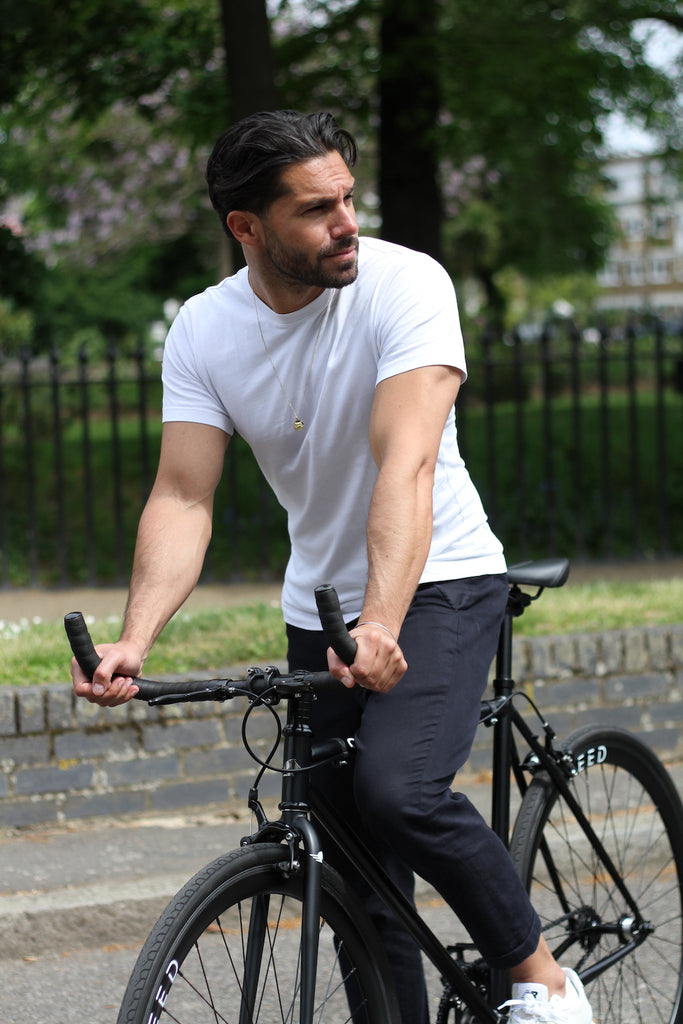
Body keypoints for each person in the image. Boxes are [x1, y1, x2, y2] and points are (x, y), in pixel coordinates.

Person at [71, 109, 593, 1024]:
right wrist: (134, 638)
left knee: (396, 793)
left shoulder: (406, 285)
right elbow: (184, 495)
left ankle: (539, 976)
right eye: (317, 209)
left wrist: (383, 622)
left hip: (439, 581)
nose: (347, 221)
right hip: (318, 605)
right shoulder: (202, 330)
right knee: (351, 866)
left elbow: (408, 463)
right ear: (247, 227)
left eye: (348, 197)